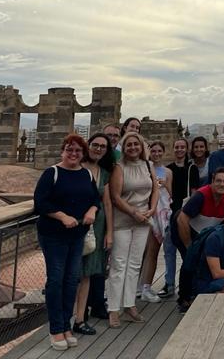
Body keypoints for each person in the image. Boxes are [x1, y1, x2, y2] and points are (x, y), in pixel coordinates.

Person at [34, 134, 100, 350]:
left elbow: (95, 199)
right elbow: (40, 202)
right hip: (53, 235)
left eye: (78, 151)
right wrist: (62, 216)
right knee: (55, 281)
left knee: (71, 280)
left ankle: (67, 326)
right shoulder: (51, 173)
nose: (73, 154)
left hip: (77, 235)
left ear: (83, 154)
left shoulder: (86, 174)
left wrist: (92, 210)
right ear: (62, 151)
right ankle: (56, 330)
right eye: (69, 150)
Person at [107, 132, 157, 328]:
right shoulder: (119, 167)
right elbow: (115, 196)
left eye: (136, 144)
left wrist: (151, 210)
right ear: (123, 147)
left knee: (135, 263)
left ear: (142, 146)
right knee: (119, 264)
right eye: (129, 145)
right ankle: (113, 308)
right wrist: (134, 213)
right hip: (124, 219)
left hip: (143, 219)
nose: (133, 147)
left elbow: (154, 189)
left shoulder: (148, 165)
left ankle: (129, 305)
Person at [174, 167, 224, 308]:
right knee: (189, 261)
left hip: (205, 231)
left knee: (203, 263)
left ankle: (199, 294)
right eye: (219, 181)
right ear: (212, 181)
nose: (222, 184)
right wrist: (189, 245)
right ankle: (184, 299)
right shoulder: (201, 195)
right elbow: (182, 219)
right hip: (185, 228)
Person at [73, 133, 114, 336]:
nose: (98, 149)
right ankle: (69, 317)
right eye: (95, 145)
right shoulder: (76, 166)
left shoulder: (104, 172)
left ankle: (80, 318)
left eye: (103, 147)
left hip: (96, 227)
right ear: (88, 146)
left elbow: (107, 203)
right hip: (74, 225)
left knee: (88, 272)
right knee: (72, 272)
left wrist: (109, 232)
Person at [139, 142, 173, 303]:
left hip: (160, 213)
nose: (157, 153)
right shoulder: (144, 168)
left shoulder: (168, 172)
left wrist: (165, 185)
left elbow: (170, 194)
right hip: (145, 211)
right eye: (154, 150)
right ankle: (138, 286)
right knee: (141, 252)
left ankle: (146, 286)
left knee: (153, 251)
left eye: (160, 150)